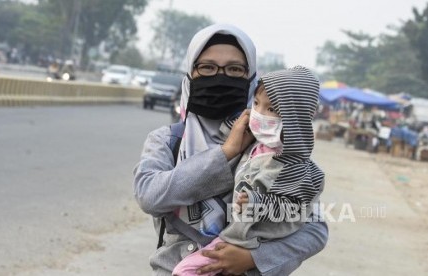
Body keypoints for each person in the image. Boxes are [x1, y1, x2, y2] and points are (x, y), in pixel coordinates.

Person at [133, 23, 328, 276]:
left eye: (235, 69)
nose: (220, 77)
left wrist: (253, 258)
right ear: (190, 74)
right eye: (207, 67)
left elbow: (314, 228)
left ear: (251, 78)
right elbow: (150, 196)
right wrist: (225, 153)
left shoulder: (272, 147)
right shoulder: (168, 141)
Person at [172, 67, 325, 276]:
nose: (259, 114)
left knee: (185, 271)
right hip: (233, 236)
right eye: (256, 104)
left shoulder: (293, 165)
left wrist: (258, 203)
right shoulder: (256, 144)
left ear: (294, 117)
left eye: (272, 109)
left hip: (250, 242)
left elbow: (296, 209)